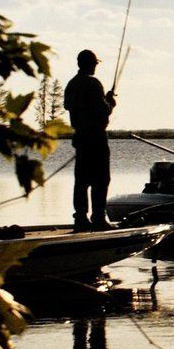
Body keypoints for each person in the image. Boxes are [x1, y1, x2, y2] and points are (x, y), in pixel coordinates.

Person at [63, 49, 116, 228]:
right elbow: (102, 111)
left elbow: (70, 106)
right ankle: (98, 217)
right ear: (90, 64)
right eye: (94, 63)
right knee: (101, 179)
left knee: (81, 180)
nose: (95, 67)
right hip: (96, 138)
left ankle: (80, 218)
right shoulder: (93, 83)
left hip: (80, 138)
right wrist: (110, 103)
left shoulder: (72, 84)